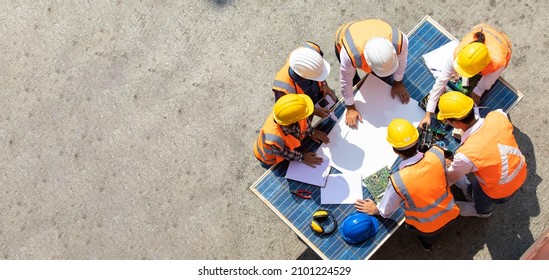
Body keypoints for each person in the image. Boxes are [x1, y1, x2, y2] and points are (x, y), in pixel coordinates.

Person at [355, 119, 459, 251]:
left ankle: (427, 245)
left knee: (429, 235)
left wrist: (375, 210)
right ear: (417, 141)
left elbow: (385, 212)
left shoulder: (398, 181)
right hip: (451, 210)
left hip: (427, 226)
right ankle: (428, 243)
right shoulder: (437, 153)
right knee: (435, 231)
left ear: (395, 150)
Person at [436, 91, 527, 217]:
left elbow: (451, 178)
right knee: (479, 184)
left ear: (456, 123)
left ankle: (482, 212)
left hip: (499, 190)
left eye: (447, 121)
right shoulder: (498, 115)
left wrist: (447, 164)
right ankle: (471, 191)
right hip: (520, 171)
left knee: (482, 196)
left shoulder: (466, 154)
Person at [419, 24, 512, 128]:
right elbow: (441, 81)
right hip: (485, 29)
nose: (461, 76)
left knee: (482, 87)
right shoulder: (460, 53)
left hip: (503, 44)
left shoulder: (496, 63)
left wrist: (478, 91)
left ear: (481, 68)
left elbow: (486, 83)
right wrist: (428, 112)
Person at [334, 19, 410, 128]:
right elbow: (346, 80)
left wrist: (398, 82)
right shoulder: (350, 55)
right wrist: (350, 107)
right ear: (368, 63)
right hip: (344, 37)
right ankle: (358, 84)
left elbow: (402, 61)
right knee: (355, 81)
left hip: (370, 29)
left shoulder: (400, 41)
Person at [254, 94, 329, 168]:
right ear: (293, 121)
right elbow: (286, 153)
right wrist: (303, 157)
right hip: (269, 159)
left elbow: (304, 121)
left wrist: (312, 132)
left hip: (287, 149)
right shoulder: (274, 139)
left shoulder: (288, 114)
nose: (306, 116)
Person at [272, 42, 338, 119]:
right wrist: (314, 111)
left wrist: (324, 84)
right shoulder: (283, 90)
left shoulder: (313, 49)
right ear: (304, 77)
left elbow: (320, 68)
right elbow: (293, 111)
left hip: (320, 91)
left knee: (337, 108)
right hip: (303, 106)